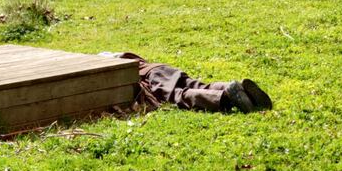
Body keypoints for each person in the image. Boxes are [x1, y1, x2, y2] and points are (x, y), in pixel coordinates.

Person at [99, 52, 272, 113]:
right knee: (195, 84)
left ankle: (225, 96)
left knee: (177, 96)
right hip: (161, 68)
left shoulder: (103, 61)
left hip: (148, 76)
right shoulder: (117, 54)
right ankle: (233, 86)